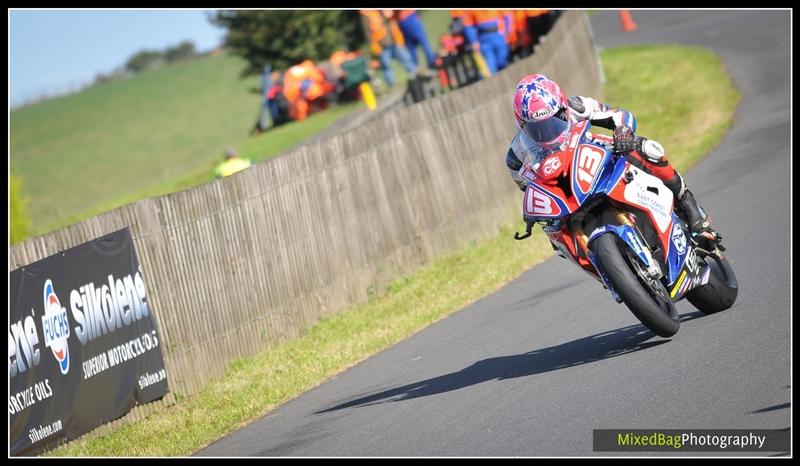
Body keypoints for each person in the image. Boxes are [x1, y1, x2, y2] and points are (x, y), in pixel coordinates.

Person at [506, 73, 718, 241]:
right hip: (563, 189)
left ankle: (687, 203)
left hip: (596, 159)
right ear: (521, 124)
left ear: (562, 107)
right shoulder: (515, 155)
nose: (547, 133)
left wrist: (622, 132)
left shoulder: (577, 106)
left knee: (645, 148)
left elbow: (619, 115)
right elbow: (527, 186)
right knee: (553, 231)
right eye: (537, 129)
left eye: (553, 122)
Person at [360, 10, 417, 88]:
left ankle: (414, 74)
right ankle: (392, 85)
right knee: (386, 66)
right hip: (381, 46)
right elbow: (367, 33)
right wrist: (375, 46)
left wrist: (396, 37)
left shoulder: (379, 11)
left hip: (392, 40)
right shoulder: (365, 14)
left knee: (405, 58)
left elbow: (389, 20)